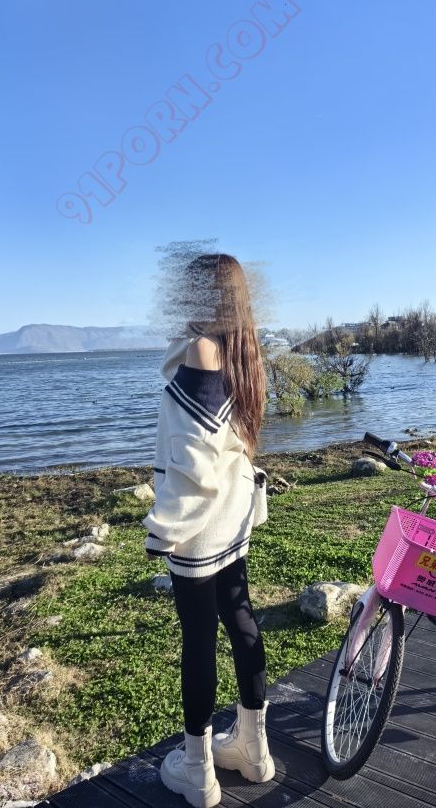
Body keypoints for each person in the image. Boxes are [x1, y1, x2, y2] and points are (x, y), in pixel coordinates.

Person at [143, 253, 273, 808]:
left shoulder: (201, 349)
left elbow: (191, 461)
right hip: (232, 513)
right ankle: (253, 748)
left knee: (198, 637)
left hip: (198, 522)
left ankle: (197, 770)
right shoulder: (246, 350)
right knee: (240, 619)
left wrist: (163, 526)